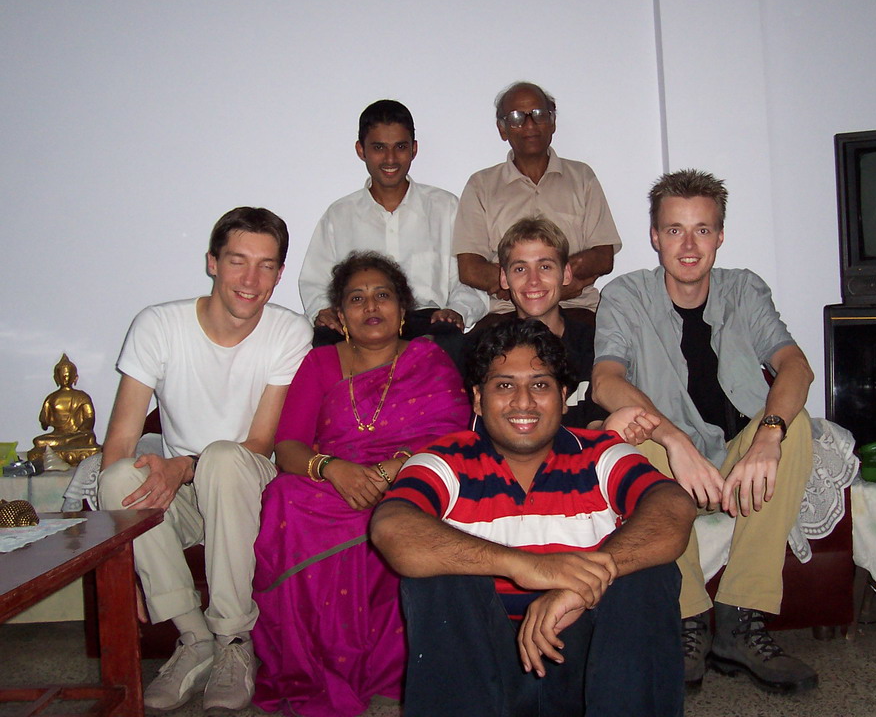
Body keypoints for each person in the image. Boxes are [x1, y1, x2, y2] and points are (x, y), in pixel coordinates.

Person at [370, 318, 696, 717]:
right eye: (504, 385)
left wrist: (579, 587)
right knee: (437, 576)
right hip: (481, 675)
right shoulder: (445, 460)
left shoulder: (599, 453)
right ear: (477, 399)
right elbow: (392, 526)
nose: (522, 402)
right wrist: (526, 567)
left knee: (648, 574)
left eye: (540, 385)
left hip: (595, 672)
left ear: (562, 396)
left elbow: (673, 506)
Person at [592, 169, 818, 695]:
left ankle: (741, 619)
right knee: (633, 435)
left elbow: (795, 366)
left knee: (797, 423)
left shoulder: (744, 288)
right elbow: (606, 380)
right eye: (674, 230)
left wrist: (768, 437)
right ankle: (688, 619)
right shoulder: (625, 294)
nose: (688, 245)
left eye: (702, 230)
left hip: (740, 459)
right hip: (675, 465)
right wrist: (676, 441)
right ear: (654, 235)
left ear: (720, 235)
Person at [97, 207, 312, 712]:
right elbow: (120, 443)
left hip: (248, 486)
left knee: (221, 458)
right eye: (238, 261)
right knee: (115, 478)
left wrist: (185, 465)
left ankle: (235, 641)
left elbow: (261, 444)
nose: (250, 280)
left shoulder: (289, 332)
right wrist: (115, 560)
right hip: (185, 496)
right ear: (212, 262)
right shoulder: (157, 324)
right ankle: (194, 639)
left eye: (265, 266)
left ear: (280, 274)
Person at [252, 252, 471, 717]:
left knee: (414, 510)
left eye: (383, 295)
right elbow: (288, 445)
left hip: (410, 479)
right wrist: (332, 468)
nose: (371, 306)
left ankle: (393, 666)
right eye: (357, 298)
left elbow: (455, 440)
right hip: (333, 482)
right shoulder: (319, 364)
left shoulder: (429, 359)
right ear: (341, 314)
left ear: (402, 308)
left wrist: (396, 467)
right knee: (283, 496)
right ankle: (315, 663)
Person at [298, 99, 487, 351]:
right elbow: (316, 280)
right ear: (361, 150)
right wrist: (323, 310)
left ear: (414, 149)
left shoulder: (446, 208)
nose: (390, 158)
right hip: (361, 321)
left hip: (427, 320)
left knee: (451, 341)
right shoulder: (340, 215)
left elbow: (467, 279)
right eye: (378, 147)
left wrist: (457, 311)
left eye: (400, 147)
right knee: (324, 341)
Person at [452, 82, 621, 324]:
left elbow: (604, 256)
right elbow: (469, 269)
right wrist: (522, 289)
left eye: (539, 115)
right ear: (503, 129)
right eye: (517, 117)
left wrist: (556, 287)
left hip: (576, 308)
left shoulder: (582, 177)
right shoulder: (481, 185)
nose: (529, 124)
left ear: (552, 123)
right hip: (507, 312)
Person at [464, 216, 607, 428]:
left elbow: (599, 426)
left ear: (566, 273)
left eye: (545, 267)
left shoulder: (595, 344)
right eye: (520, 269)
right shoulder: (480, 347)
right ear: (504, 278)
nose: (533, 280)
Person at [28, 353, 101, 464]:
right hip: (58, 436)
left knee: (89, 438)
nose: (65, 378)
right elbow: (44, 423)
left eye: (67, 376)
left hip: (77, 435)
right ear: (56, 378)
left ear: (75, 377)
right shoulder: (51, 398)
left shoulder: (82, 397)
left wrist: (79, 431)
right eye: (62, 376)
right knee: (39, 441)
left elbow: (89, 419)